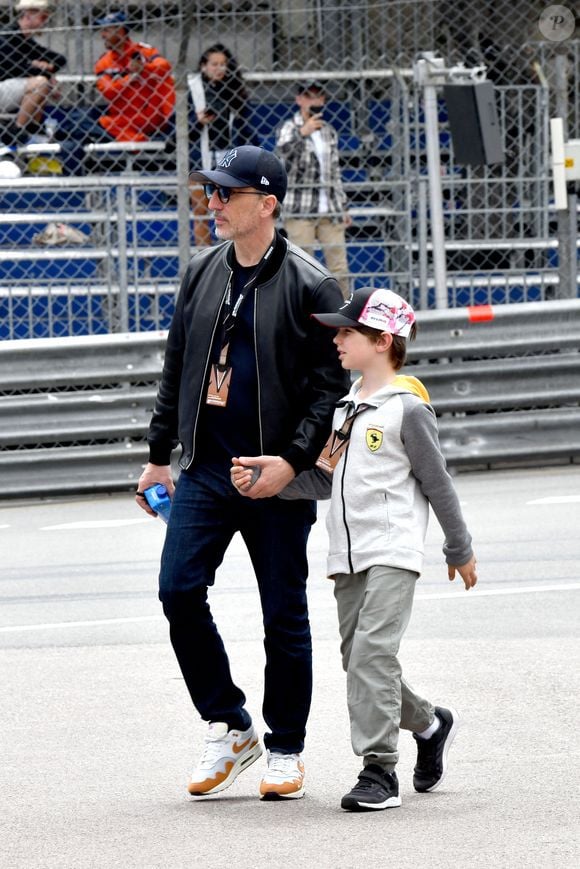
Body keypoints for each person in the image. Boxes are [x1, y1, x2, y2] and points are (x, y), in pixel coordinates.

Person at [135, 145, 348, 801]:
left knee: (282, 613)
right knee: (176, 591)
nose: (215, 203)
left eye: (228, 193)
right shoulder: (202, 273)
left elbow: (328, 390)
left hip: (274, 474)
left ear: (269, 205)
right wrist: (157, 452)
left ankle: (286, 746)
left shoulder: (312, 285)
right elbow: (179, 367)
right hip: (205, 467)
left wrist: (291, 463)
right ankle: (230, 723)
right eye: (213, 192)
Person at [237, 287, 478, 812]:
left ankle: (378, 771)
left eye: (347, 332)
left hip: (393, 552)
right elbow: (326, 480)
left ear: (383, 341)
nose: (337, 339)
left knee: (372, 656)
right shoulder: (346, 409)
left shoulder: (408, 411)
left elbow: (439, 484)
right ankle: (432, 723)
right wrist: (269, 484)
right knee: (360, 659)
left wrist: (458, 547)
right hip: (347, 556)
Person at [276, 81, 352, 298]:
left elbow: (334, 171)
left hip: (329, 206)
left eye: (318, 97)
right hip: (300, 207)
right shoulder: (289, 128)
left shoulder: (329, 132)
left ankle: (342, 315)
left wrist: (343, 206)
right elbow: (283, 159)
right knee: (301, 267)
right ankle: (302, 316)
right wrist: (303, 133)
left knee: (339, 269)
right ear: (299, 99)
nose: (314, 101)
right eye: (308, 96)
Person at [188, 43, 254, 247]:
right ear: (203, 66)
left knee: (234, 211)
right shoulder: (192, 88)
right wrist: (198, 122)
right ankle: (204, 257)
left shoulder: (234, 89)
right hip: (200, 159)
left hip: (230, 159)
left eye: (223, 64)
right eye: (214, 64)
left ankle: (235, 256)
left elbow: (246, 127)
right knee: (201, 212)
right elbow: (177, 134)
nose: (219, 68)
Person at [94, 10, 175, 143]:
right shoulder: (103, 62)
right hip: (124, 118)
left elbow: (164, 66)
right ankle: (142, 142)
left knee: (166, 80)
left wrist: (144, 69)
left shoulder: (143, 51)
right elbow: (108, 91)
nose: (102, 35)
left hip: (152, 114)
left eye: (106, 30)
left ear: (120, 31)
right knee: (104, 122)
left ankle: (140, 140)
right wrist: (130, 78)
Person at [0, 0, 66, 147]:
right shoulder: (7, 35)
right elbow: (14, 68)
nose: (45, 22)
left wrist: (40, 67)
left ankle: (33, 128)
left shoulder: (26, 41)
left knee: (42, 81)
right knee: (41, 82)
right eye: (42, 18)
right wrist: (45, 72)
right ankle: (17, 131)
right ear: (28, 15)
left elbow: (60, 59)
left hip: (7, 90)